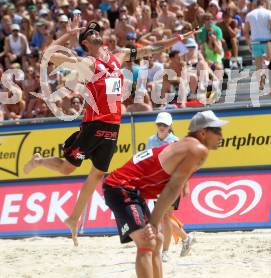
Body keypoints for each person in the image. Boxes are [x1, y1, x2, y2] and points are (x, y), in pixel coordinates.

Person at [24, 16, 196, 246]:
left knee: (96, 176)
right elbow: (48, 54)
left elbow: (151, 49)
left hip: (113, 126)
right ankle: (39, 162)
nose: (97, 34)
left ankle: (74, 218)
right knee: (67, 169)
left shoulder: (118, 57)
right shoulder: (85, 63)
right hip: (94, 125)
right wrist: (69, 34)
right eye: (91, 33)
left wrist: (176, 40)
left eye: (97, 31)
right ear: (85, 42)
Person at [103, 110, 229, 278]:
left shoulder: (184, 144)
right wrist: (154, 222)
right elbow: (172, 188)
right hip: (121, 187)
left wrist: (154, 223)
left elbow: (171, 186)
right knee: (148, 241)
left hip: (131, 188)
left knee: (158, 240)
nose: (221, 135)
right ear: (203, 133)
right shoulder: (197, 149)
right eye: (217, 131)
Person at [146, 112, 193, 262]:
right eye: (159, 124)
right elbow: (148, 162)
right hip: (157, 183)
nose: (161, 127)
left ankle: (166, 251)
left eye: (165, 125)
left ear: (170, 126)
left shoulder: (175, 142)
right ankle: (186, 238)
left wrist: (186, 184)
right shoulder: (151, 141)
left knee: (165, 217)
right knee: (164, 217)